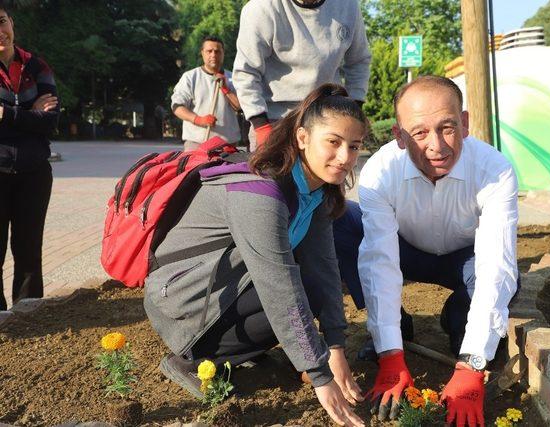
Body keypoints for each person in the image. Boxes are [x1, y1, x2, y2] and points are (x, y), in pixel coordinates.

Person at [144, 83, 368, 427]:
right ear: (303, 137)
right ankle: (193, 361)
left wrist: (335, 347)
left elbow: (324, 270)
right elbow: (279, 287)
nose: (344, 158)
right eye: (333, 142)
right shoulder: (259, 191)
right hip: (181, 302)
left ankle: (238, 352)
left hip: (225, 290)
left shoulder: (316, 192)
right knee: (291, 294)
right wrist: (320, 375)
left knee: (312, 284)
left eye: (354, 147)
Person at [333, 75, 519, 425]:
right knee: (340, 222)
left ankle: (458, 324)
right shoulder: (379, 172)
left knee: (503, 285)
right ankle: (396, 329)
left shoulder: (495, 170)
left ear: (464, 123)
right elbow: (380, 261)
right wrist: (389, 351)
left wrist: (472, 363)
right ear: (400, 137)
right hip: (405, 249)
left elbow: (497, 265)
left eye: (447, 127)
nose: (437, 145)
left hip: (464, 258)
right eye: (419, 133)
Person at [233, 0, 371, 151]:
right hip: (274, 120)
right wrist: (260, 125)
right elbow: (246, 72)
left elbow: (359, 61)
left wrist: (354, 110)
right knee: (271, 174)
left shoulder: (348, 6)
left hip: (329, 117)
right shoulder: (261, 8)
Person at [0, 2, 59, 311]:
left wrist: (7, 115)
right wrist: (27, 114)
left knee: (28, 252)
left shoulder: (36, 66)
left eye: (2, 21)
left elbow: (50, 120)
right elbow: (36, 119)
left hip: (34, 174)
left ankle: (30, 313)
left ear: (12, 23)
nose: (1, 31)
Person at [172, 36, 241, 151]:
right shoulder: (190, 77)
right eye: (209, 51)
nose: (213, 55)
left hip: (228, 145)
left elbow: (240, 107)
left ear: (223, 54)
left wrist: (225, 89)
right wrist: (198, 119)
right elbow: (177, 107)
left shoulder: (233, 78)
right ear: (202, 53)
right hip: (197, 144)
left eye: (217, 51)